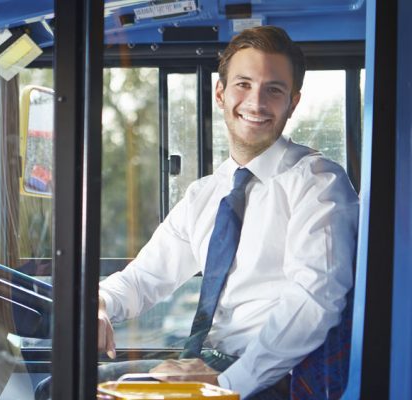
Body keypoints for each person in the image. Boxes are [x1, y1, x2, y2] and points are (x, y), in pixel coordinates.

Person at [97, 25, 358, 399]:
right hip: (209, 361)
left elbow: (314, 300)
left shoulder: (317, 184)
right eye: (244, 84)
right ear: (220, 93)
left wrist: (226, 384)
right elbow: (144, 278)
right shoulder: (205, 194)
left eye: (274, 90)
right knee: (58, 386)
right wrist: (101, 303)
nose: (256, 103)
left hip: (270, 376)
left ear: (293, 103)